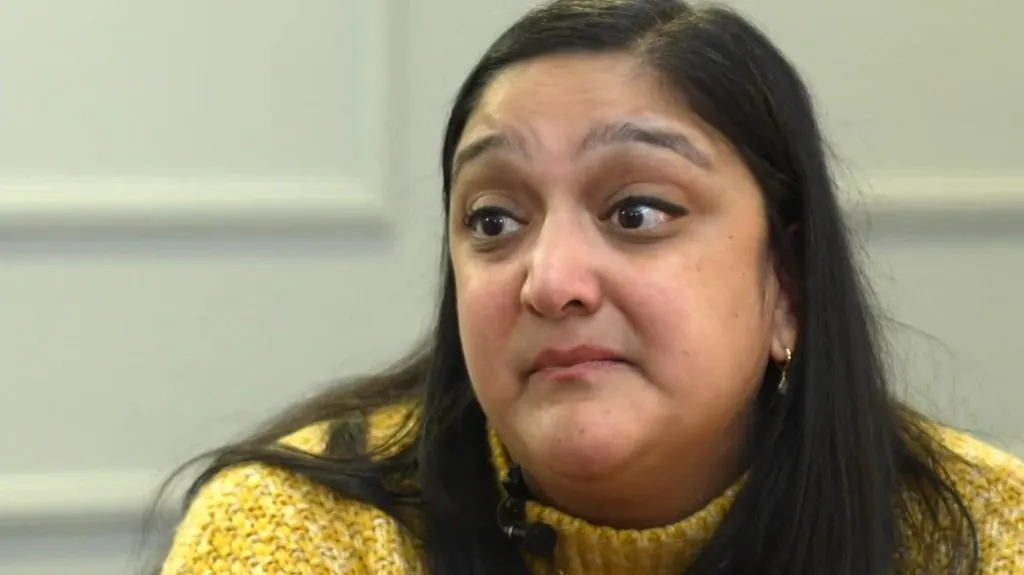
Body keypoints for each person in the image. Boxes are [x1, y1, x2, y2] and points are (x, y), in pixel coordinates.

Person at [152, 1, 1024, 574]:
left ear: (787, 282)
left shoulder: (987, 534)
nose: (550, 281)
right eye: (494, 221)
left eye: (637, 211)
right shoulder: (296, 538)